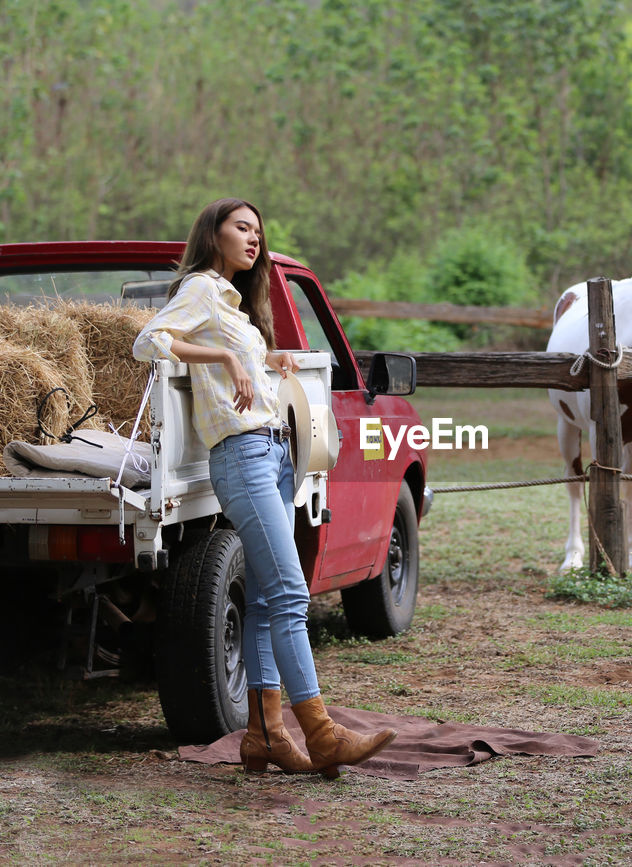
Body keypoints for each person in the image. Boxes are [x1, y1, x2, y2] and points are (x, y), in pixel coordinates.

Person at [133, 197, 395, 777]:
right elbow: (149, 341)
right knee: (291, 596)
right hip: (244, 457)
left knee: (263, 604)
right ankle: (322, 734)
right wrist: (226, 356)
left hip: (273, 453)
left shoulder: (232, 301)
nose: (254, 239)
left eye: (259, 230)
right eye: (241, 228)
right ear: (213, 233)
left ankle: (266, 737)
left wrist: (262, 356)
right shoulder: (201, 288)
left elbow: (239, 360)